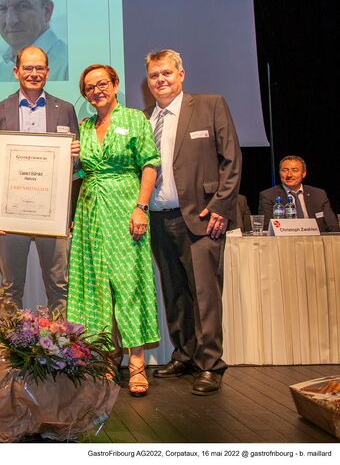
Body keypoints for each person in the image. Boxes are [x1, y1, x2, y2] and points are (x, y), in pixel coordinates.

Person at [143, 49, 241, 396]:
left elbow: (232, 160)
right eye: (154, 76)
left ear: (181, 74)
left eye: (166, 73)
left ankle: (211, 364)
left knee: (205, 295)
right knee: (175, 293)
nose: (161, 80)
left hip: (202, 218)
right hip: (159, 219)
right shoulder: (146, 118)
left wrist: (220, 207)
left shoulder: (210, 105)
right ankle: (184, 354)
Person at [67, 64, 160, 397]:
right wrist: (69, 157)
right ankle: (107, 358)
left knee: (129, 284)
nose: (96, 91)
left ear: (115, 84)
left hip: (125, 209)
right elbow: (80, 171)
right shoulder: (84, 126)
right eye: (89, 88)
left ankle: (137, 364)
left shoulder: (135, 119)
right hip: (91, 212)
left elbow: (149, 163)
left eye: (102, 84)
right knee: (96, 288)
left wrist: (141, 207)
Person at [0, 45, 80, 315]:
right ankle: (13, 353)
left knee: (60, 286)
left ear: (47, 71)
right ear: (16, 71)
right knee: (11, 288)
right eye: (28, 68)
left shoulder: (66, 110)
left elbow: (77, 167)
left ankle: (61, 354)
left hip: (53, 214)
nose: (33, 73)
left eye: (39, 68)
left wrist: (77, 155)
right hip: (11, 213)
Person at [0, 0, 69, 83]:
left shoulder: (66, 66)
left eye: (22, 6)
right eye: (2, 9)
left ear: (47, 11)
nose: (11, 20)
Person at [258, 155, 339, 233]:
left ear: (303, 174)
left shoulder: (318, 194)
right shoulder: (268, 195)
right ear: (279, 173)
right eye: (284, 170)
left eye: (295, 170)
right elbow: (267, 228)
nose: (289, 175)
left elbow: (333, 226)